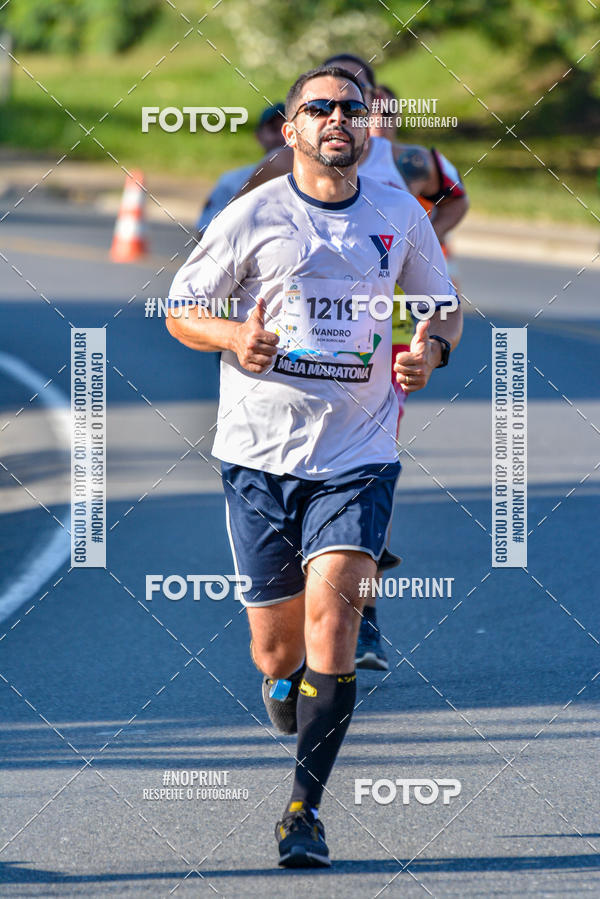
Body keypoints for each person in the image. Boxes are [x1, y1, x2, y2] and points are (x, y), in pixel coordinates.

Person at [166, 64, 462, 868]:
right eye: (319, 108)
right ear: (291, 128)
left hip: (359, 455)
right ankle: (284, 683)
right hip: (259, 456)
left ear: (369, 128)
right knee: (278, 654)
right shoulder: (253, 213)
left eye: (352, 109)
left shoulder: (399, 212)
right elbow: (182, 306)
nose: (338, 118)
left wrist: (428, 348)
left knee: (336, 619)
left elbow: (443, 304)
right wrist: (233, 338)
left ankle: (303, 810)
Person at [195, 103, 286, 236]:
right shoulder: (231, 183)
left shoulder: (318, 185)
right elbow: (205, 235)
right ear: (258, 136)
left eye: (287, 130)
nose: (281, 137)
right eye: (273, 129)